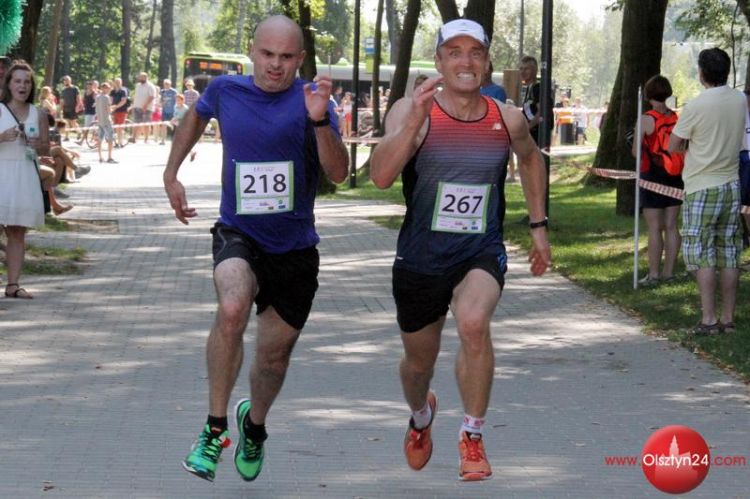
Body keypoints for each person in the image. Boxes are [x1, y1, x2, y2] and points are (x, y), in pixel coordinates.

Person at [164, 14, 348, 483]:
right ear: (252, 51)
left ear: (300, 59)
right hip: (238, 233)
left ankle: (255, 426)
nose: (275, 65)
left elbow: (338, 172)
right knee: (231, 307)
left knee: (273, 359)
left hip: (295, 248)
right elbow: (195, 117)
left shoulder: (314, 100)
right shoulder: (226, 91)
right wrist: (171, 173)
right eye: (267, 54)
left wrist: (319, 119)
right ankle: (214, 428)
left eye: (286, 57)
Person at [370, 19, 551, 481]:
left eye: (475, 52)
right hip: (421, 257)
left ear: (487, 62)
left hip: (479, 250)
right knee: (418, 365)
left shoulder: (506, 117)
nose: (466, 61)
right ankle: (420, 416)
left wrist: (538, 226)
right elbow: (380, 176)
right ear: (439, 61)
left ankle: (472, 436)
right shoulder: (411, 109)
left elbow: (531, 158)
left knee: (473, 323)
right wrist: (414, 122)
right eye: (454, 52)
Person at [668, 47, 746, 335]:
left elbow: (673, 145)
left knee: (701, 254)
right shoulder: (739, 99)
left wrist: (693, 144)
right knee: (729, 252)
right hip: (731, 184)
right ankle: (728, 317)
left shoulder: (696, 106)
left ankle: (709, 318)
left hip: (701, 185)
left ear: (702, 73)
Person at [0, 61, 50, 299]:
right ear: (9, 84)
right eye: (18, 81)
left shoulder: (38, 113)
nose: (22, 86)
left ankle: (13, 285)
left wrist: (37, 144)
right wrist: (2, 136)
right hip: (2, 173)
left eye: (27, 82)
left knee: (17, 231)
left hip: (24, 175)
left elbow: (46, 148)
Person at [631, 75, 684, 286]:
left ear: (648, 95)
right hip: (675, 176)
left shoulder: (645, 119)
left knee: (654, 227)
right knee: (671, 225)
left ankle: (653, 274)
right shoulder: (676, 118)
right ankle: (668, 273)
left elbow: (636, 152)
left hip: (651, 177)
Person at [519, 55, 552, 146]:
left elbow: (542, 112)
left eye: (526, 69)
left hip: (537, 137)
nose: (523, 72)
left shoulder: (537, 88)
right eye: (521, 68)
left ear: (534, 70)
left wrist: (528, 127)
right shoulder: (528, 89)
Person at [95, 81, 116, 163]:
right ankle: (109, 157)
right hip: (107, 120)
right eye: (108, 88)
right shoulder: (107, 98)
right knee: (110, 139)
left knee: (100, 139)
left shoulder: (97, 97)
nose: (108, 90)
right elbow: (108, 110)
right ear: (105, 89)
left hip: (100, 120)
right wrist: (113, 108)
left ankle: (100, 157)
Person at [133, 72, 156, 143]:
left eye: (143, 77)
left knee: (146, 123)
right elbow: (136, 96)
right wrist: (133, 105)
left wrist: (145, 105)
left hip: (147, 108)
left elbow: (152, 96)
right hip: (137, 106)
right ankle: (134, 138)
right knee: (136, 123)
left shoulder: (150, 86)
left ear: (146, 77)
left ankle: (146, 139)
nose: (141, 78)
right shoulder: (137, 85)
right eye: (140, 77)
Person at [60, 75, 82, 141]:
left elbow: (78, 98)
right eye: (65, 80)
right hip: (65, 109)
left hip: (73, 108)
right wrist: (61, 109)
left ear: (70, 81)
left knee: (73, 123)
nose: (66, 81)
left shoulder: (75, 88)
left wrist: (77, 106)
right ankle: (66, 137)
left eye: (67, 80)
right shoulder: (63, 90)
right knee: (66, 123)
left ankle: (79, 132)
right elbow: (62, 100)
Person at [77, 80, 98, 145]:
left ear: (92, 86)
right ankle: (97, 139)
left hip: (92, 112)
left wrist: (95, 104)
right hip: (87, 111)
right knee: (91, 127)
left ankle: (81, 141)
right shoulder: (85, 92)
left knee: (87, 127)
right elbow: (83, 101)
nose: (89, 86)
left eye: (90, 85)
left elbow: (97, 101)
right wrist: (80, 106)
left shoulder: (94, 93)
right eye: (88, 85)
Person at [110, 78, 129, 147]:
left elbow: (124, 101)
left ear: (121, 83)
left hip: (122, 111)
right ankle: (118, 142)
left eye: (119, 82)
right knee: (116, 127)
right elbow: (110, 100)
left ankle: (121, 142)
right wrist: (110, 107)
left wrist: (116, 106)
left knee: (120, 127)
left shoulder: (123, 91)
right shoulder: (113, 91)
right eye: (116, 82)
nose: (117, 83)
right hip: (114, 111)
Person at [159, 79, 177, 144]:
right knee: (164, 125)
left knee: (174, 126)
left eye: (167, 84)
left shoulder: (174, 91)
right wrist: (162, 102)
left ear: (170, 84)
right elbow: (160, 102)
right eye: (165, 84)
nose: (166, 85)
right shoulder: (162, 91)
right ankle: (163, 140)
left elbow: (177, 101)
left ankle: (174, 140)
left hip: (173, 111)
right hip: (164, 111)